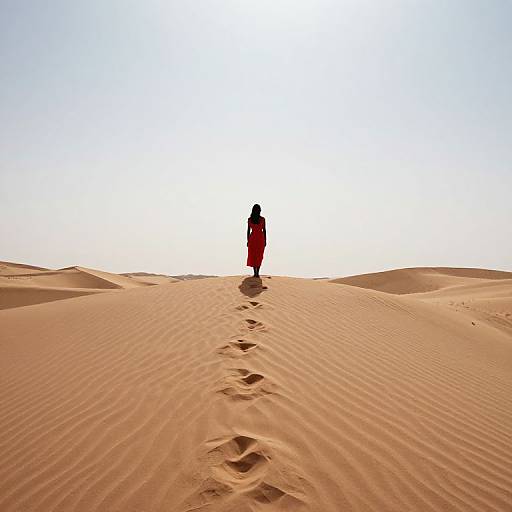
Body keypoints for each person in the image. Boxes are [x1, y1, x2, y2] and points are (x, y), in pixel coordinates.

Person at [246, 204, 266, 278]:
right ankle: (257, 272)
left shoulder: (250, 219)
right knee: (259, 255)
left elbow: (248, 231)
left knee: (254, 255)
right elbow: (264, 230)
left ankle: (255, 272)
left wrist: (248, 240)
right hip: (260, 238)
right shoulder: (262, 219)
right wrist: (265, 240)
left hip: (253, 238)